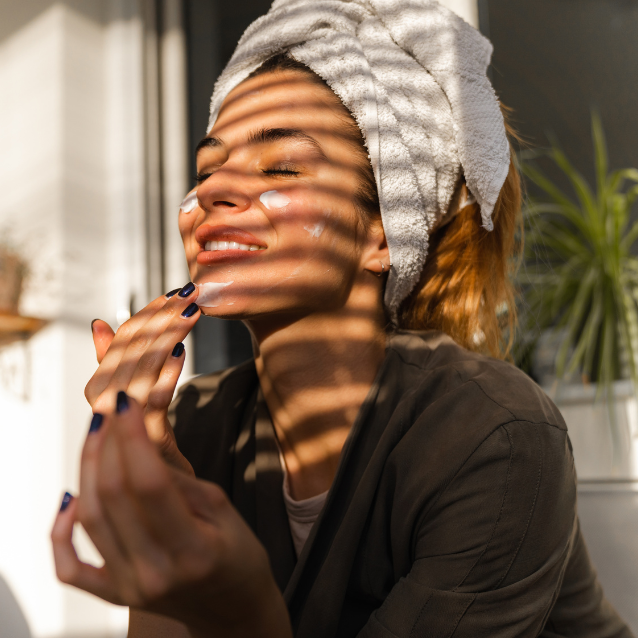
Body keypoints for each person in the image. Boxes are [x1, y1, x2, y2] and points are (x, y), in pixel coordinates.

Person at [50, 1, 633, 636]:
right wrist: (156, 475)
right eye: (208, 168)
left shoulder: (493, 435)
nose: (211, 192)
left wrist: (242, 611)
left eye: (281, 167)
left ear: (385, 235)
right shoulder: (196, 423)